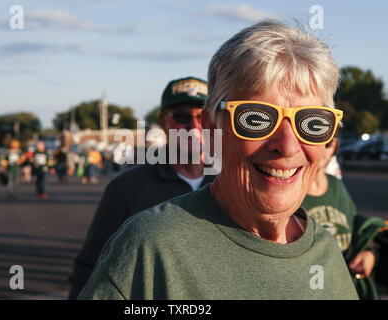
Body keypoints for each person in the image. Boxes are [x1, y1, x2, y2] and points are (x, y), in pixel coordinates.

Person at [78, 20, 359, 300]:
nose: (287, 146)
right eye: (257, 118)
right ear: (212, 127)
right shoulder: (150, 248)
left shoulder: (326, 251)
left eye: (312, 123)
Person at [68, 76, 215, 299]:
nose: (194, 127)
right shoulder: (126, 189)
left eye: (203, 117)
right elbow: (91, 266)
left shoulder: (234, 182)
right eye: (182, 117)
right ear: (164, 123)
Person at [301, 137, 387, 299]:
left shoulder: (336, 185)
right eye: (311, 139)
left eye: (328, 143)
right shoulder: (290, 197)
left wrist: (368, 252)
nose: (322, 148)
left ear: (334, 147)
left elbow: (355, 229)